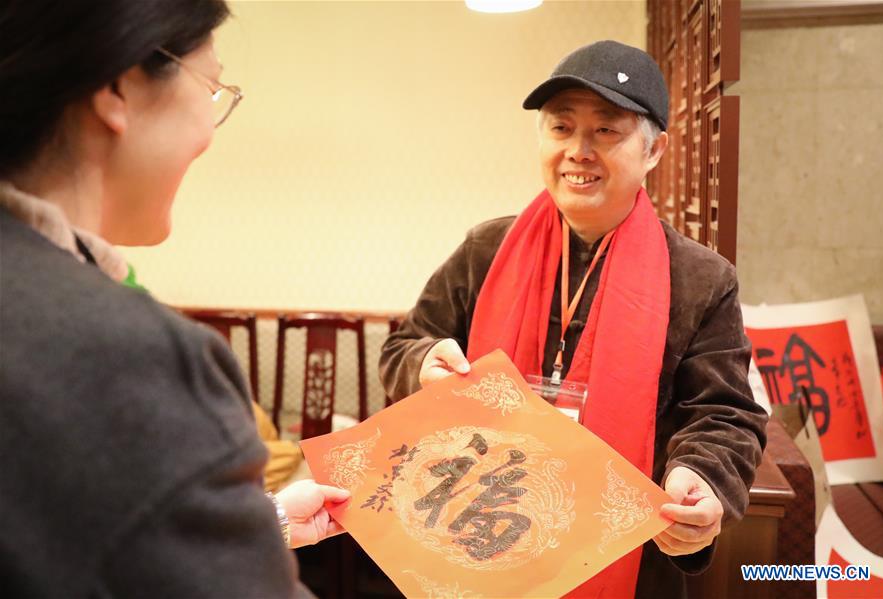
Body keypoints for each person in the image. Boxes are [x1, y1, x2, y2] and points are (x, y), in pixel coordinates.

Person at [380, 40, 768, 598]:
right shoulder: (487, 248)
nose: (578, 151)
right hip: (481, 535)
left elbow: (724, 413)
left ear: (654, 150)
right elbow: (404, 347)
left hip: (625, 556)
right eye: (561, 129)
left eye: (605, 131)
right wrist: (422, 365)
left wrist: (701, 476)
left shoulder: (702, 278)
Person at [0, 1, 347, 596]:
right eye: (212, 86)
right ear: (118, 85)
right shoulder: (132, 354)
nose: (210, 131)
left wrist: (260, 523)